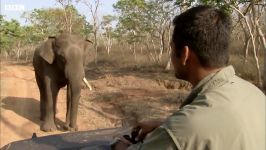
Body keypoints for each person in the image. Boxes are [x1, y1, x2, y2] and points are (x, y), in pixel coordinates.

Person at [113, 5, 266, 150]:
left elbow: (190, 130)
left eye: (172, 49)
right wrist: (165, 126)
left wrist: (119, 143)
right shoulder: (255, 94)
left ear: (185, 55)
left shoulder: (188, 127)